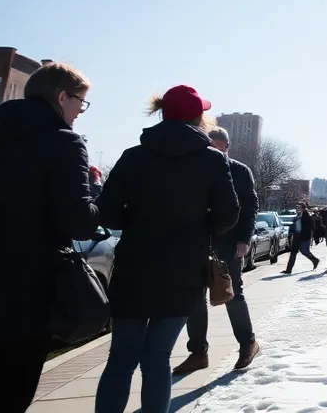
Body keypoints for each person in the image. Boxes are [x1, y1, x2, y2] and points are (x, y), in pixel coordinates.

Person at [95, 86, 240, 413]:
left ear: (162, 113)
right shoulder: (212, 160)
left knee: (120, 359)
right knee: (157, 358)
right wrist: (198, 228)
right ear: (199, 117)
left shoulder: (134, 156)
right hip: (184, 272)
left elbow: (107, 211)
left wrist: (136, 219)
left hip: (134, 267)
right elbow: (228, 214)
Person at [0, 62, 101, 413]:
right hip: (26, 291)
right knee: (12, 389)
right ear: (60, 96)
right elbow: (78, 222)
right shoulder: (64, 143)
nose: (80, 113)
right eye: (80, 102)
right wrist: (100, 199)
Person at [174, 127, 260, 377]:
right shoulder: (194, 167)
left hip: (229, 242)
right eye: (207, 147)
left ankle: (248, 343)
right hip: (197, 242)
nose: (211, 152)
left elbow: (250, 207)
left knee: (232, 293)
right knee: (194, 297)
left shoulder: (240, 171)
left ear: (226, 148)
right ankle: (198, 352)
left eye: (217, 148)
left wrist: (244, 239)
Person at [284, 202, 322, 273]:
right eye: (297, 207)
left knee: (304, 251)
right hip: (296, 235)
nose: (297, 209)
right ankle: (288, 270)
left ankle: (315, 260)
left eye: (299, 207)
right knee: (293, 252)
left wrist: (311, 236)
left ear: (304, 208)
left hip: (305, 236)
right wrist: (290, 233)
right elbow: (293, 226)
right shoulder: (296, 216)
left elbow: (311, 227)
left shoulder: (307, 216)